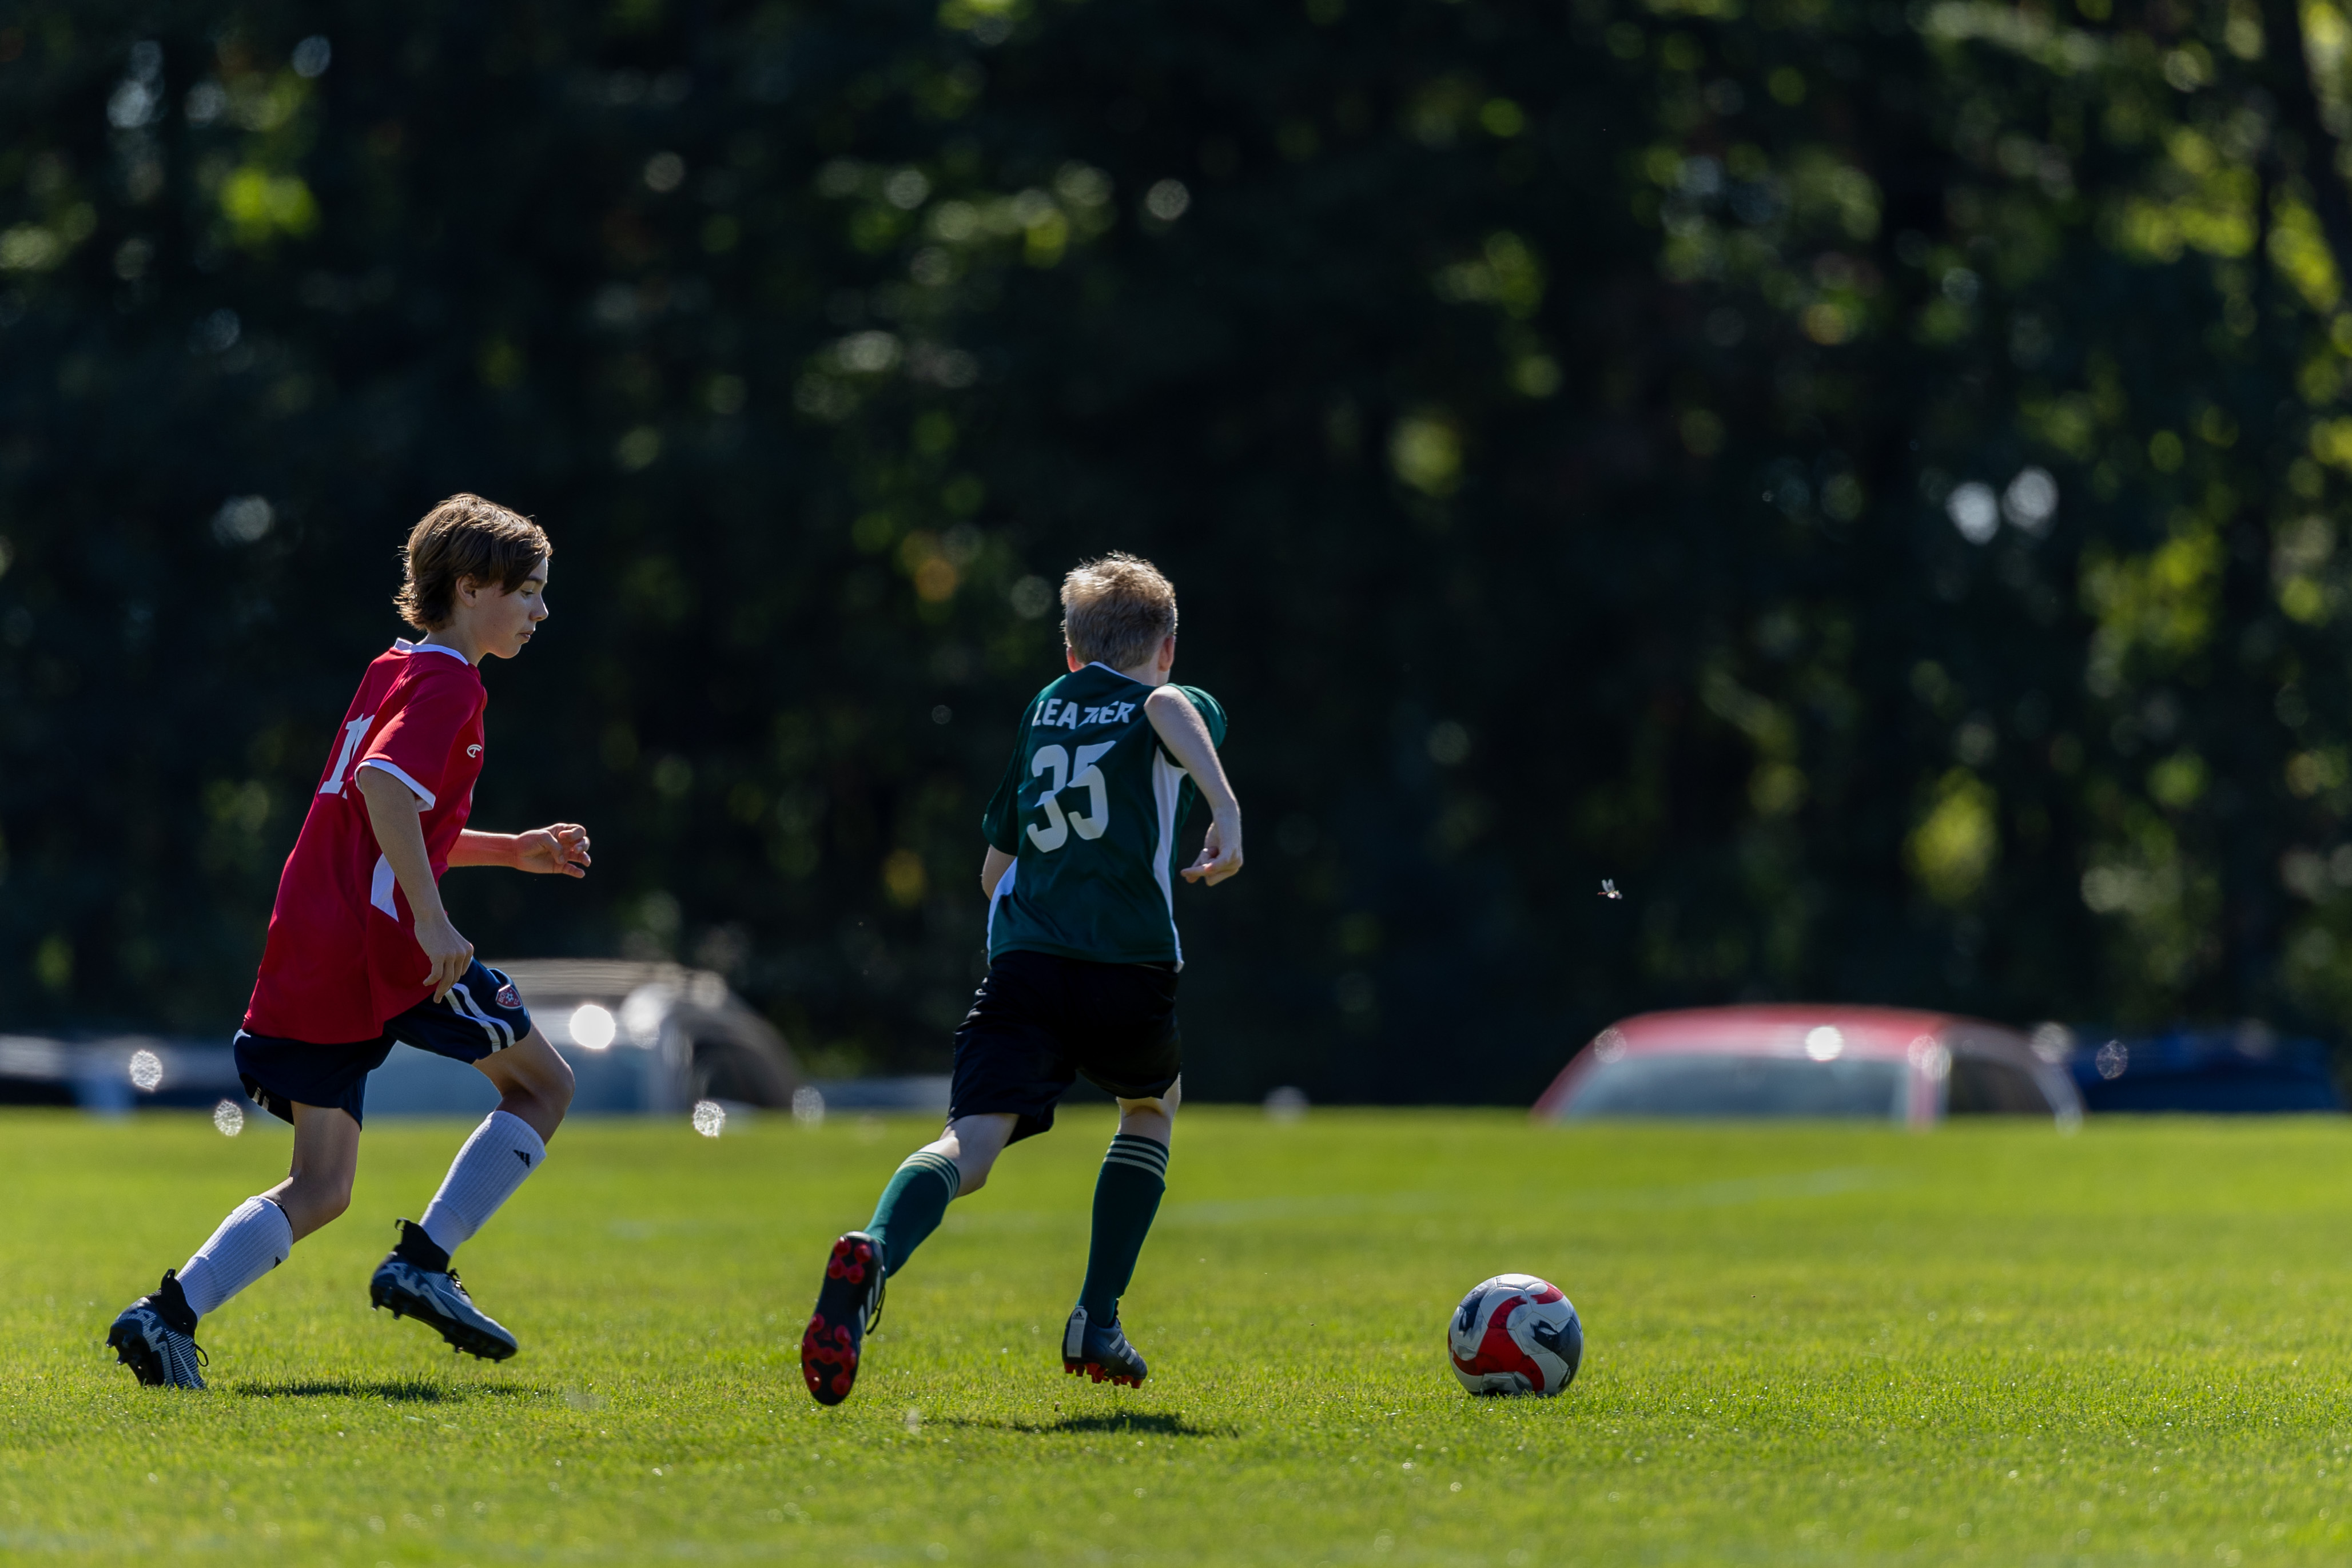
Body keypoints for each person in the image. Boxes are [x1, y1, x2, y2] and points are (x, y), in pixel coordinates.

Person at [106, 495, 591, 1389]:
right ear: (471, 587)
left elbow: (387, 814)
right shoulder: (452, 683)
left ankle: (165, 1316)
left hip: (313, 940)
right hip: (389, 946)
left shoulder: (392, 668)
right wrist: (433, 918)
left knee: (323, 1185)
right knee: (545, 1085)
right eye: (527, 590)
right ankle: (424, 1262)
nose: (541, 609)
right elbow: (383, 787)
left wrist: (510, 850)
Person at [801, 552, 1242, 1404]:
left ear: (1070, 652)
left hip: (1025, 965)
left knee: (968, 1145)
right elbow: (1166, 706)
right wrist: (1224, 808)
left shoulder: (1043, 709)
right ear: (1167, 648)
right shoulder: (1166, 702)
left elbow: (992, 869)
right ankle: (1096, 1318)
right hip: (1126, 965)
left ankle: (876, 1248)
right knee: (1150, 1106)